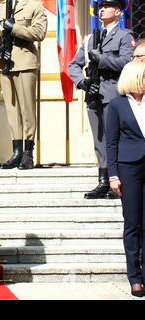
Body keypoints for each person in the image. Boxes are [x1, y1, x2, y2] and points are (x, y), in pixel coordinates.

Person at [69, 0, 134, 199]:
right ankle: (103, 181)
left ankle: (119, 180)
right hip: (94, 94)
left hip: (114, 93)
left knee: (115, 139)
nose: (102, 9)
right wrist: (83, 83)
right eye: (100, 7)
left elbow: (128, 61)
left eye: (107, 6)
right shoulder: (90, 39)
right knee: (99, 140)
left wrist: (102, 59)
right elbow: (73, 65)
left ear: (118, 11)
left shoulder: (125, 36)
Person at [0, 0, 47, 170]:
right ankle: (16, 152)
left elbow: (39, 33)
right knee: (12, 109)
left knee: (27, 109)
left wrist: (15, 28)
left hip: (25, 61)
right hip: (5, 61)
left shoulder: (34, 6)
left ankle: (27, 153)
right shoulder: (0, 8)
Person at [106, 61, 145, 297]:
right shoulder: (117, 105)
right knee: (133, 224)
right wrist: (113, 175)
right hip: (129, 168)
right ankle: (135, 278)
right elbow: (111, 143)